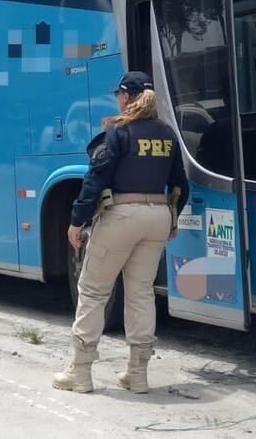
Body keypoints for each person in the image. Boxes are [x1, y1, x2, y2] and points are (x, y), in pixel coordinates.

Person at [52, 71, 189, 394]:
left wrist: (76, 221)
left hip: (122, 216)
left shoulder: (118, 133)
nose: (117, 100)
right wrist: (172, 221)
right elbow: (181, 184)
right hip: (157, 216)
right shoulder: (167, 134)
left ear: (126, 97)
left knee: (94, 291)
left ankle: (80, 373)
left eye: (119, 95)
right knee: (141, 293)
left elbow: (95, 179)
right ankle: (137, 374)